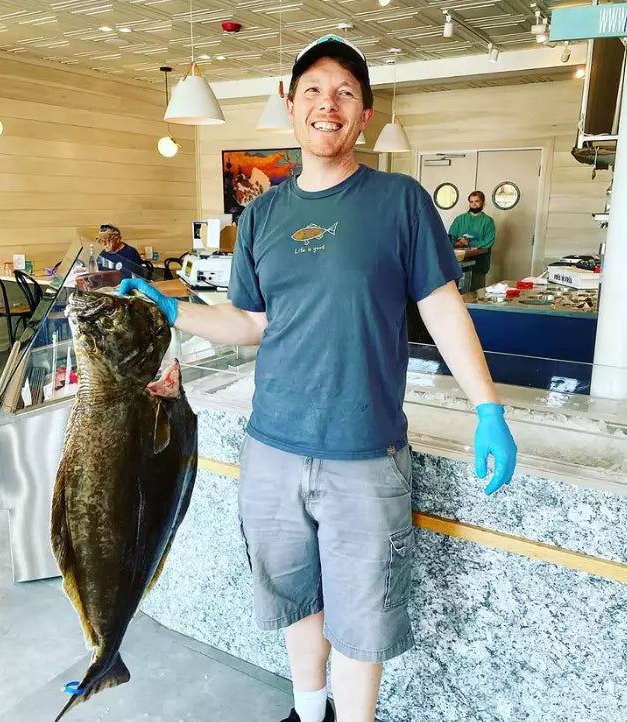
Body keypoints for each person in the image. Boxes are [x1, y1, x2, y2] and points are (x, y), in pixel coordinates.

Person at [120, 33, 517, 722]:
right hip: (271, 447)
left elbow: (442, 307)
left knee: (361, 616)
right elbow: (251, 322)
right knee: (294, 598)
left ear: (363, 114)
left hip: (365, 454)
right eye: (313, 91)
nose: (326, 105)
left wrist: (488, 409)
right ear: (290, 103)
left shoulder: (399, 201)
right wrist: (175, 310)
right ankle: (310, 713)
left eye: (345, 93)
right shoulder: (265, 214)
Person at [449, 191, 496, 291]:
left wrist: (469, 243)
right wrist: (458, 243)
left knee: (476, 294)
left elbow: (488, 242)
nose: (474, 204)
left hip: (479, 265)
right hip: (458, 264)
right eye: (471, 202)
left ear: (482, 203)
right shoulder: (460, 219)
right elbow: (451, 238)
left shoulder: (487, 221)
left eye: (477, 201)